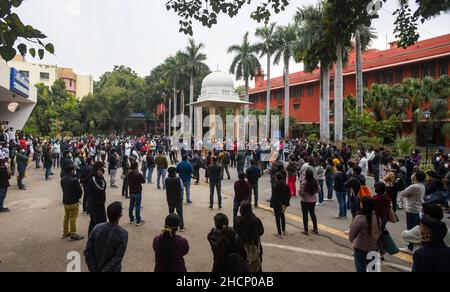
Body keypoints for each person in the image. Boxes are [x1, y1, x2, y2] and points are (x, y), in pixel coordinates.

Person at [84, 202, 128, 272]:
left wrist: (93, 269)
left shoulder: (97, 228)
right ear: (120, 215)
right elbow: (117, 258)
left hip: (96, 267)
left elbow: (88, 251)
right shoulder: (123, 234)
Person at [349, 197, 381, 272]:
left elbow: (352, 234)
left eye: (361, 203)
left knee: (360, 268)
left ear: (363, 205)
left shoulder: (360, 218)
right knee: (372, 269)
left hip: (361, 247)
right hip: (374, 246)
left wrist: (352, 241)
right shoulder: (377, 216)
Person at [234, 201, 264, 272]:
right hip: (255, 245)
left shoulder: (238, 220)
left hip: (241, 247)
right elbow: (261, 232)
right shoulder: (256, 220)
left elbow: (235, 230)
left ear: (241, 209)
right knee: (256, 264)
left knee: (242, 265)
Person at [399, 170, 426, 251]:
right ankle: (416, 244)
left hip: (412, 209)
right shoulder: (422, 185)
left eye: (414, 175)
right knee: (416, 228)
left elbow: (403, 193)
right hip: (418, 209)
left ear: (416, 177)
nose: (413, 175)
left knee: (410, 229)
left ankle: (410, 246)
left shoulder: (414, 186)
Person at [61, 164, 84, 241]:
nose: (74, 171)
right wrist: (78, 198)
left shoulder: (62, 179)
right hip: (73, 201)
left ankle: (65, 232)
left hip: (65, 201)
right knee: (73, 218)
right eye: (73, 170)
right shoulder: (74, 180)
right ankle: (73, 234)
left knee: (66, 217)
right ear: (71, 171)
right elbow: (79, 192)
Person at [88, 162, 107, 235]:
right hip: (95, 204)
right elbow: (101, 188)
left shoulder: (98, 178)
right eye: (101, 169)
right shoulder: (93, 179)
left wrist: (101, 178)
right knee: (95, 222)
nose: (102, 170)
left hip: (100, 203)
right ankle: (93, 238)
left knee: (101, 221)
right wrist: (102, 178)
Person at [299, 169, 319, 235]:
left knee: (305, 215)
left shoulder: (304, 182)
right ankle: (315, 229)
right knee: (312, 213)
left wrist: (300, 193)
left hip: (305, 200)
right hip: (313, 200)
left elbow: (301, 192)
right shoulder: (315, 181)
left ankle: (306, 230)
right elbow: (318, 190)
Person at [271, 173, 291, 237]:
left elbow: (275, 196)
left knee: (277, 218)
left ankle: (279, 232)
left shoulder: (275, 186)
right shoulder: (286, 185)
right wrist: (284, 204)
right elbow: (288, 195)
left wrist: (280, 204)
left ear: (276, 178)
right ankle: (284, 230)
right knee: (282, 216)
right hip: (284, 204)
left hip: (277, 204)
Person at [165, 167, 185, 232]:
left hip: (170, 198)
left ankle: (171, 226)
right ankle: (181, 226)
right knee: (180, 213)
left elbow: (166, 187)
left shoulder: (166, 179)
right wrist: (181, 197)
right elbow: (182, 189)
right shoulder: (178, 179)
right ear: (174, 172)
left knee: (171, 212)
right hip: (178, 198)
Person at [128, 161, 146, 226]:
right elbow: (143, 181)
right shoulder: (138, 174)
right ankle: (138, 220)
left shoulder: (129, 173)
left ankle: (131, 219)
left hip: (131, 191)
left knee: (131, 205)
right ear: (136, 166)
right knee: (137, 206)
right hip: (137, 191)